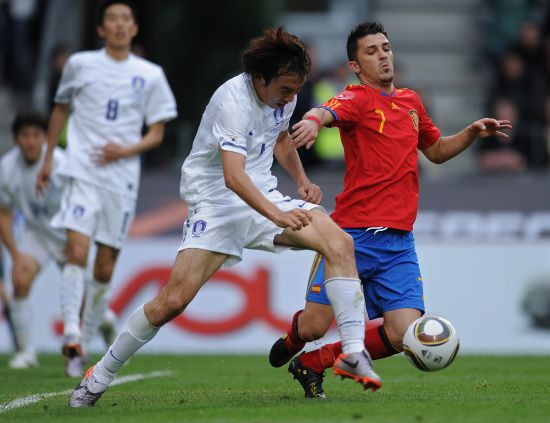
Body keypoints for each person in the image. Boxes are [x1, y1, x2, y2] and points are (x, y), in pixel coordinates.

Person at [69, 26, 382, 408]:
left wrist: (300, 180)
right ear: (260, 78)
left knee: (340, 243)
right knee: (172, 302)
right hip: (216, 204)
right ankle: (99, 375)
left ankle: (352, 351)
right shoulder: (232, 100)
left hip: (264, 195)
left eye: (295, 90)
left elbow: (280, 135)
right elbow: (234, 178)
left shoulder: (282, 93)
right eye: (284, 89)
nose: (289, 97)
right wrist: (279, 214)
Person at [268, 21, 512, 398]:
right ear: (355, 65)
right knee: (315, 326)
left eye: (385, 47)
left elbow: (435, 151)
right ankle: (296, 336)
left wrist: (470, 133)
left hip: (398, 242)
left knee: (402, 334)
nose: (382, 55)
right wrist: (314, 122)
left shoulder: (411, 102)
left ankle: (316, 362)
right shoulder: (356, 97)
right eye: (371, 51)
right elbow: (326, 110)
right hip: (349, 237)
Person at [36, 0, 177, 376]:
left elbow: (157, 133)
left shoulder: (149, 74)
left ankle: (85, 333)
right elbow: (60, 110)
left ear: (133, 28)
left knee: (103, 266)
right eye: (111, 19)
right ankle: (72, 339)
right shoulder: (80, 65)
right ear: (101, 29)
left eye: (125, 19)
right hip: (81, 171)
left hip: (122, 178)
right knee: (76, 250)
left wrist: (124, 150)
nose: (118, 25)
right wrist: (49, 158)